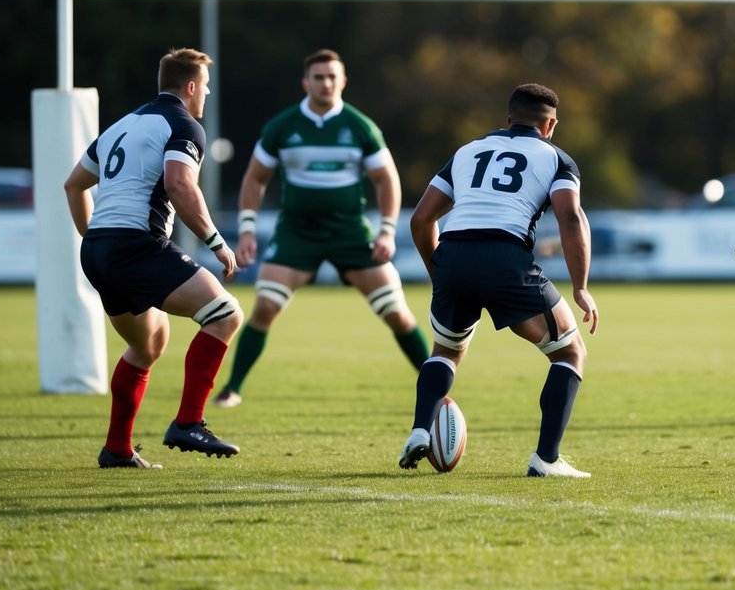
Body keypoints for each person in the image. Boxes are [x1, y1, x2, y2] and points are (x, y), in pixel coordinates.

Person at [398, 83, 598, 478]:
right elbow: (570, 217)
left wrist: (437, 270)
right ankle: (546, 460)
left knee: (446, 351)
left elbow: (421, 219)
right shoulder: (557, 158)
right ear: (551, 125)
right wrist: (581, 287)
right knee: (570, 353)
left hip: (453, 253)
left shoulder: (467, 151)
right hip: (506, 258)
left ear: (507, 119)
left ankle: (420, 429)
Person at [211, 49, 429, 408]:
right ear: (305, 82)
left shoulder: (361, 127)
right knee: (264, 308)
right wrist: (247, 231)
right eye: (318, 77)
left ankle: (435, 386)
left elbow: (386, 179)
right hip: (297, 233)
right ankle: (233, 387)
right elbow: (255, 179)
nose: (326, 83)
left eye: (332, 76)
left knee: (397, 312)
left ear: (343, 81)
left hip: (351, 234)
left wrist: (387, 231)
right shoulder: (282, 126)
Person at [63, 47, 244, 469]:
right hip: (136, 247)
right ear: (192, 86)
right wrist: (217, 241)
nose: (207, 97)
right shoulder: (184, 124)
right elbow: (180, 185)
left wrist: (93, 236)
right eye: (207, 89)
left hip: (99, 252)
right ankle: (188, 422)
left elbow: (73, 186)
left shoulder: (121, 125)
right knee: (225, 314)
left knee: (149, 344)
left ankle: (117, 450)